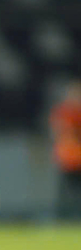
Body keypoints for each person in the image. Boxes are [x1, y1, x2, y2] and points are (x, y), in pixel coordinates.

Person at [50, 80, 81, 221]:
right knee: (66, 192)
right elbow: (61, 131)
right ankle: (62, 217)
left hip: (73, 158)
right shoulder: (64, 112)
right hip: (68, 159)